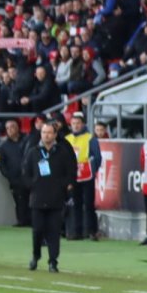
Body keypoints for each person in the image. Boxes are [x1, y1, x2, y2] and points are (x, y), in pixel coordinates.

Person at [20, 121, 77, 273]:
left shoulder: (62, 152)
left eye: (49, 132)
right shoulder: (33, 152)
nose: (47, 135)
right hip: (37, 198)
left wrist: (64, 185)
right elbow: (25, 173)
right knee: (37, 231)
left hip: (56, 199)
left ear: (55, 135)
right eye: (44, 132)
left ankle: (53, 261)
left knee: (54, 233)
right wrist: (32, 185)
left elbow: (70, 171)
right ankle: (35, 255)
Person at [64, 113, 102, 241]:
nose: (75, 126)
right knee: (76, 204)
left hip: (87, 176)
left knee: (89, 203)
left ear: (83, 124)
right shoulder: (67, 139)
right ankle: (77, 231)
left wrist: (92, 170)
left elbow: (97, 157)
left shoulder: (90, 138)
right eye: (73, 123)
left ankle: (92, 231)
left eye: (78, 123)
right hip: (73, 176)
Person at [0, 119, 31, 227]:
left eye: (12, 127)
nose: (9, 130)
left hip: (30, 176)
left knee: (33, 199)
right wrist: (9, 176)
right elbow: (1, 164)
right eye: (7, 128)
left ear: (18, 127)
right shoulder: (4, 146)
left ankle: (34, 221)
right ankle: (22, 221)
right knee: (19, 201)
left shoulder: (27, 141)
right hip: (15, 179)